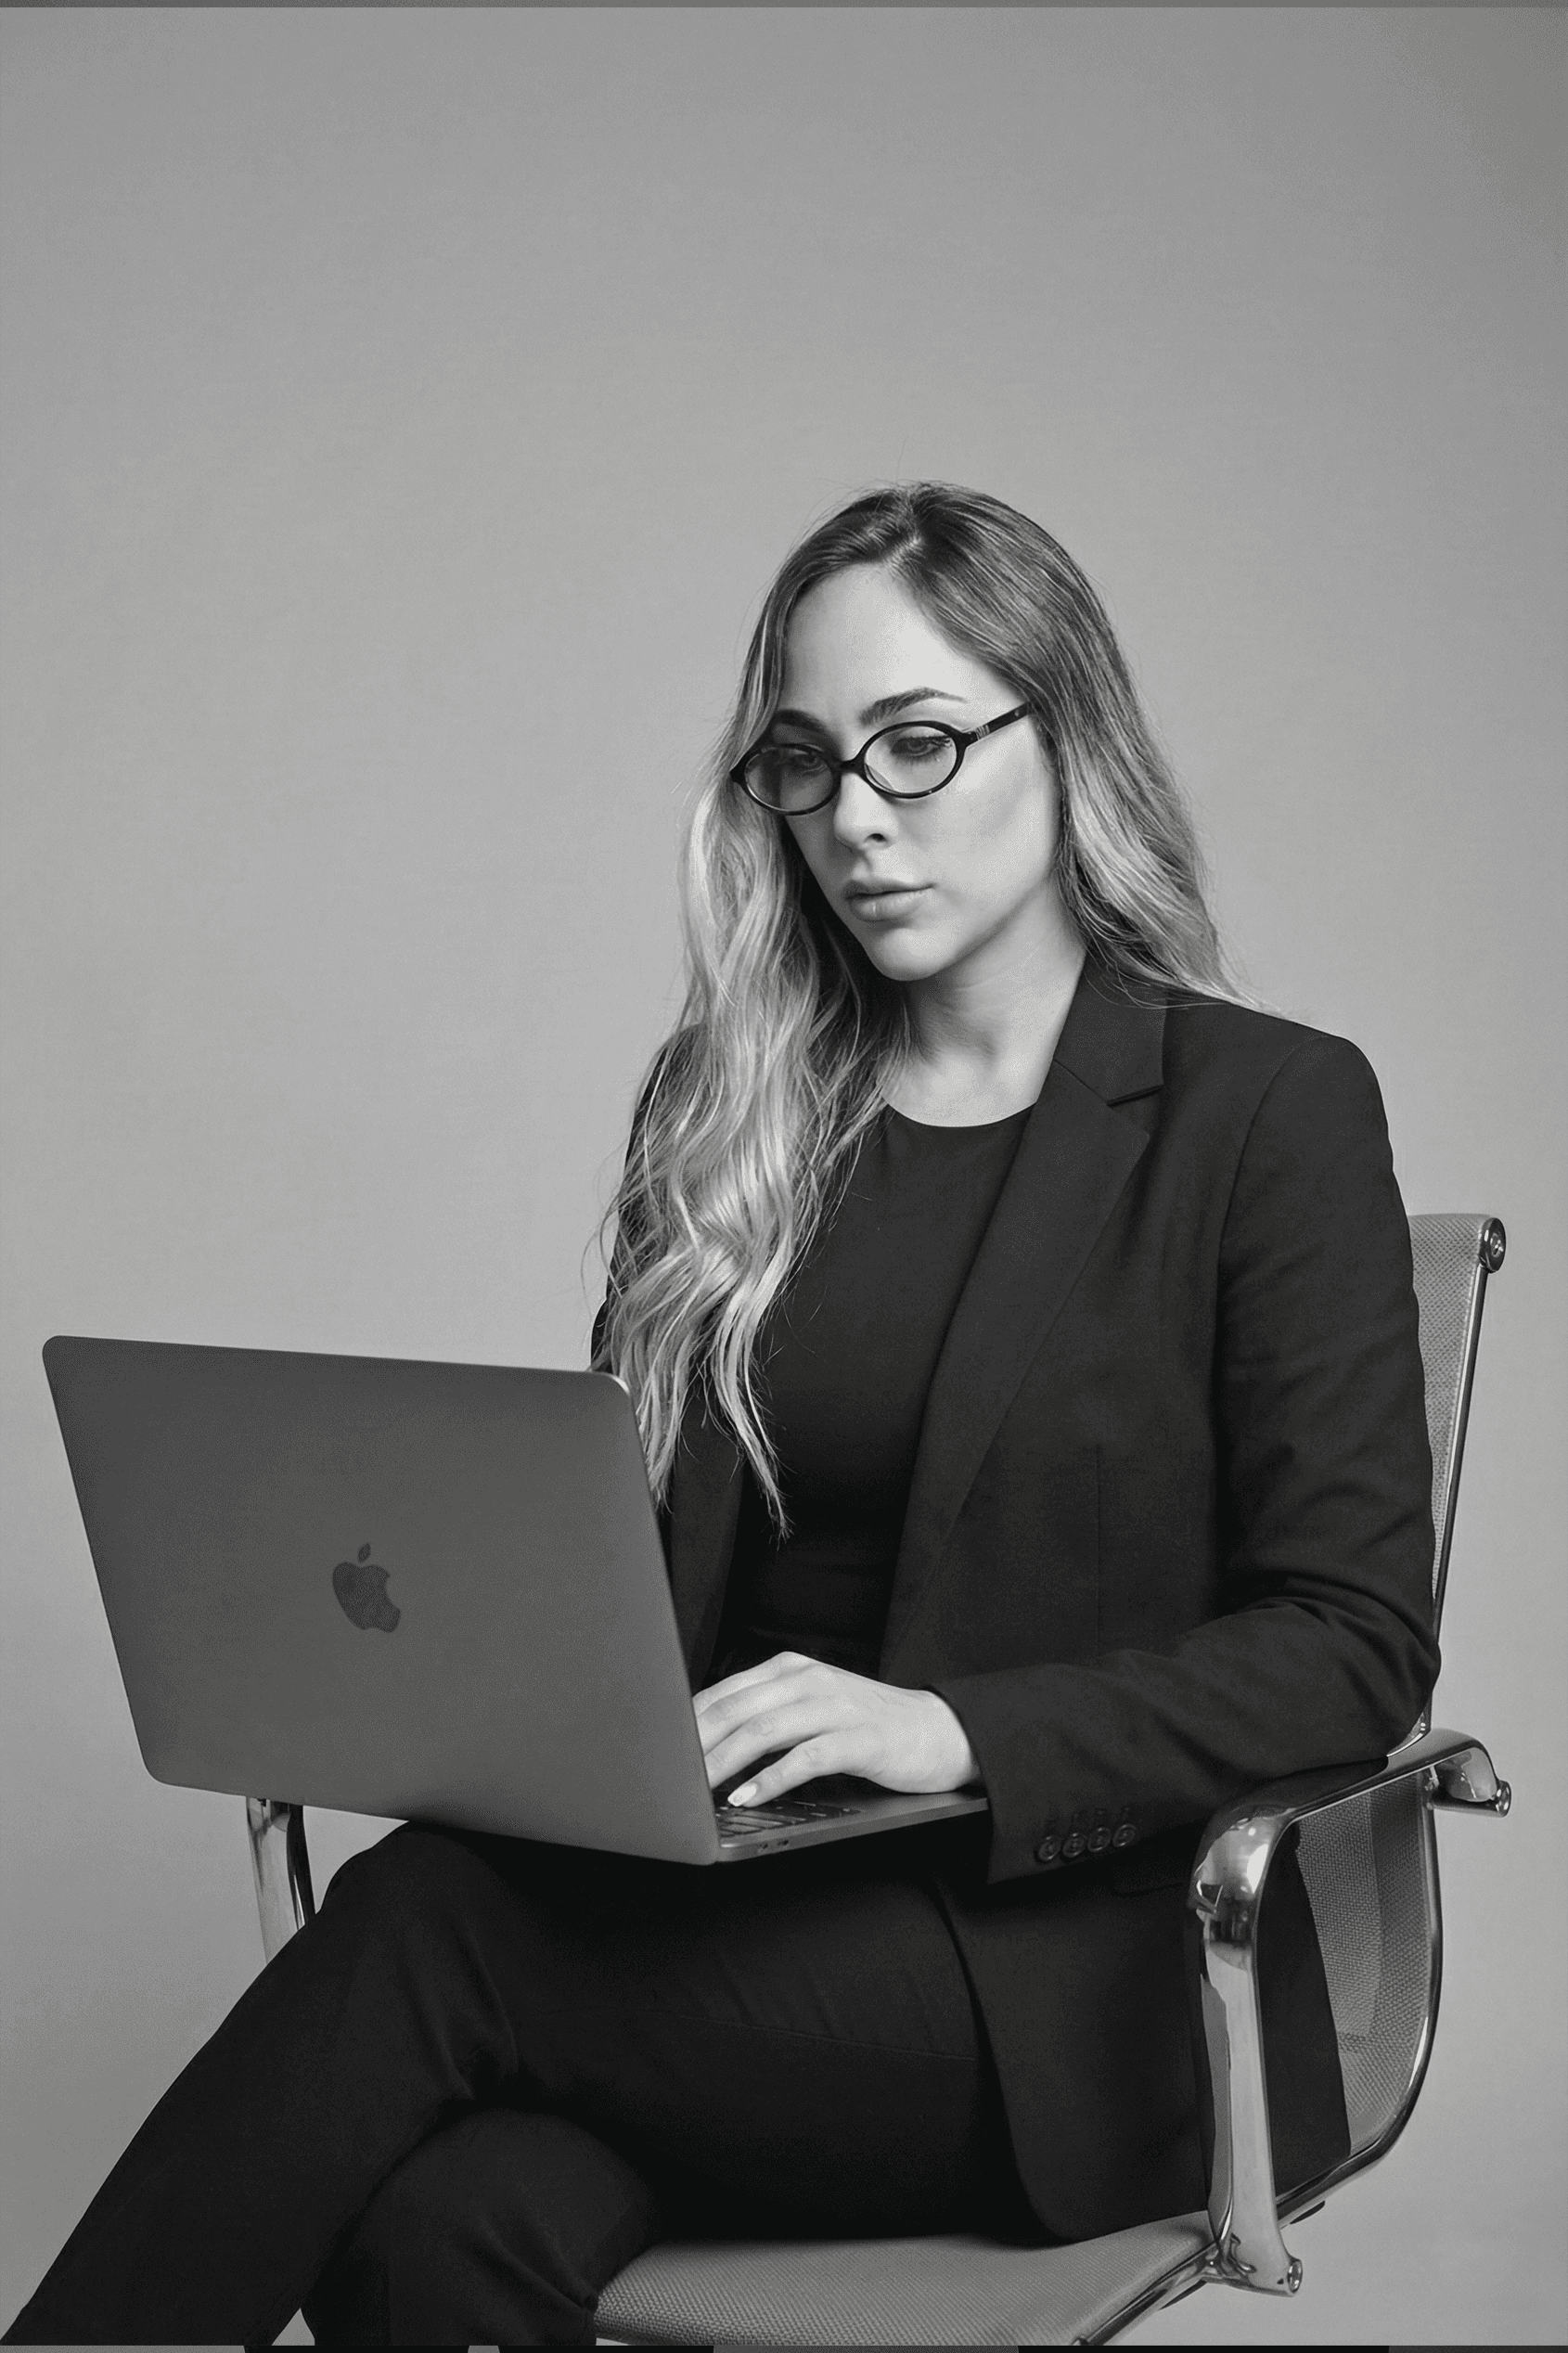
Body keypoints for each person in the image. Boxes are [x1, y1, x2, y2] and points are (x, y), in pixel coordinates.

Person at [6, 483, 1438, 2347]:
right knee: (437, 2225)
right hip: (726, 1919)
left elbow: (1349, 1643)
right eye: (804, 762)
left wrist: (947, 1729)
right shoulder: (730, 1111)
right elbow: (624, 1566)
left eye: (917, 744)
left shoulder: (1261, 1113)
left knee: (428, 1923)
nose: (856, 817)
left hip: (1064, 1981)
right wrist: (485, 1691)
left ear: (1067, 733)